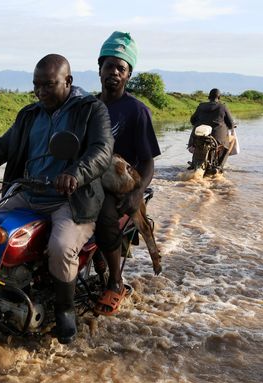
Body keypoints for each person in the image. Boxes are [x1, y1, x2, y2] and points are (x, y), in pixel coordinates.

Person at [0, 54, 114, 344]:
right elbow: (2, 148)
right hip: (28, 192)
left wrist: (75, 173)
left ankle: (64, 309)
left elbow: (102, 150)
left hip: (70, 199)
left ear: (68, 81)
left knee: (60, 248)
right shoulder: (29, 115)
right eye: (37, 85)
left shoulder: (91, 110)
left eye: (49, 85)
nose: (41, 92)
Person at [93, 31, 161, 315]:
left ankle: (116, 282)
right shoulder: (89, 106)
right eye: (109, 66)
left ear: (128, 75)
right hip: (88, 178)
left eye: (121, 68)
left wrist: (137, 193)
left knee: (106, 216)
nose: (114, 73)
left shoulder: (137, 111)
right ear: (99, 69)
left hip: (118, 185)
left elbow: (148, 163)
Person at [189, 88, 236, 171]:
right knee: (232, 139)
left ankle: (194, 163)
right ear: (219, 97)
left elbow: (192, 120)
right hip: (217, 138)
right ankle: (220, 166)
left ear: (208, 97)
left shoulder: (201, 106)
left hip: (197, 137)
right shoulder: (223, 106)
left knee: (197, 143)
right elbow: (231, 124)